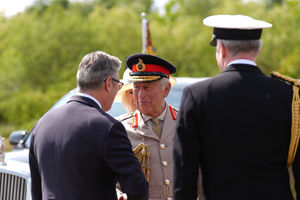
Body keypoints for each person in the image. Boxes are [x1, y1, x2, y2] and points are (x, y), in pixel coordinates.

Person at [173, 15, 297, 200]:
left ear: (221, 49)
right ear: (258, 49)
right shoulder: (289, 95)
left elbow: (185, 172)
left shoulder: (197, 95)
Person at [29, 51, 149, 200]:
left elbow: (36, 191)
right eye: (119, 85)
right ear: (108, 84)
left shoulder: (42, 124)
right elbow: (137, 188)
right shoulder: (108, 127)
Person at [117, 53, 178, 200]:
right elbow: (108, 178)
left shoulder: (186, 123)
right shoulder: (119, 129)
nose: (140, 95)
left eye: (147, 87)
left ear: (166, 89)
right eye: (136, 88)